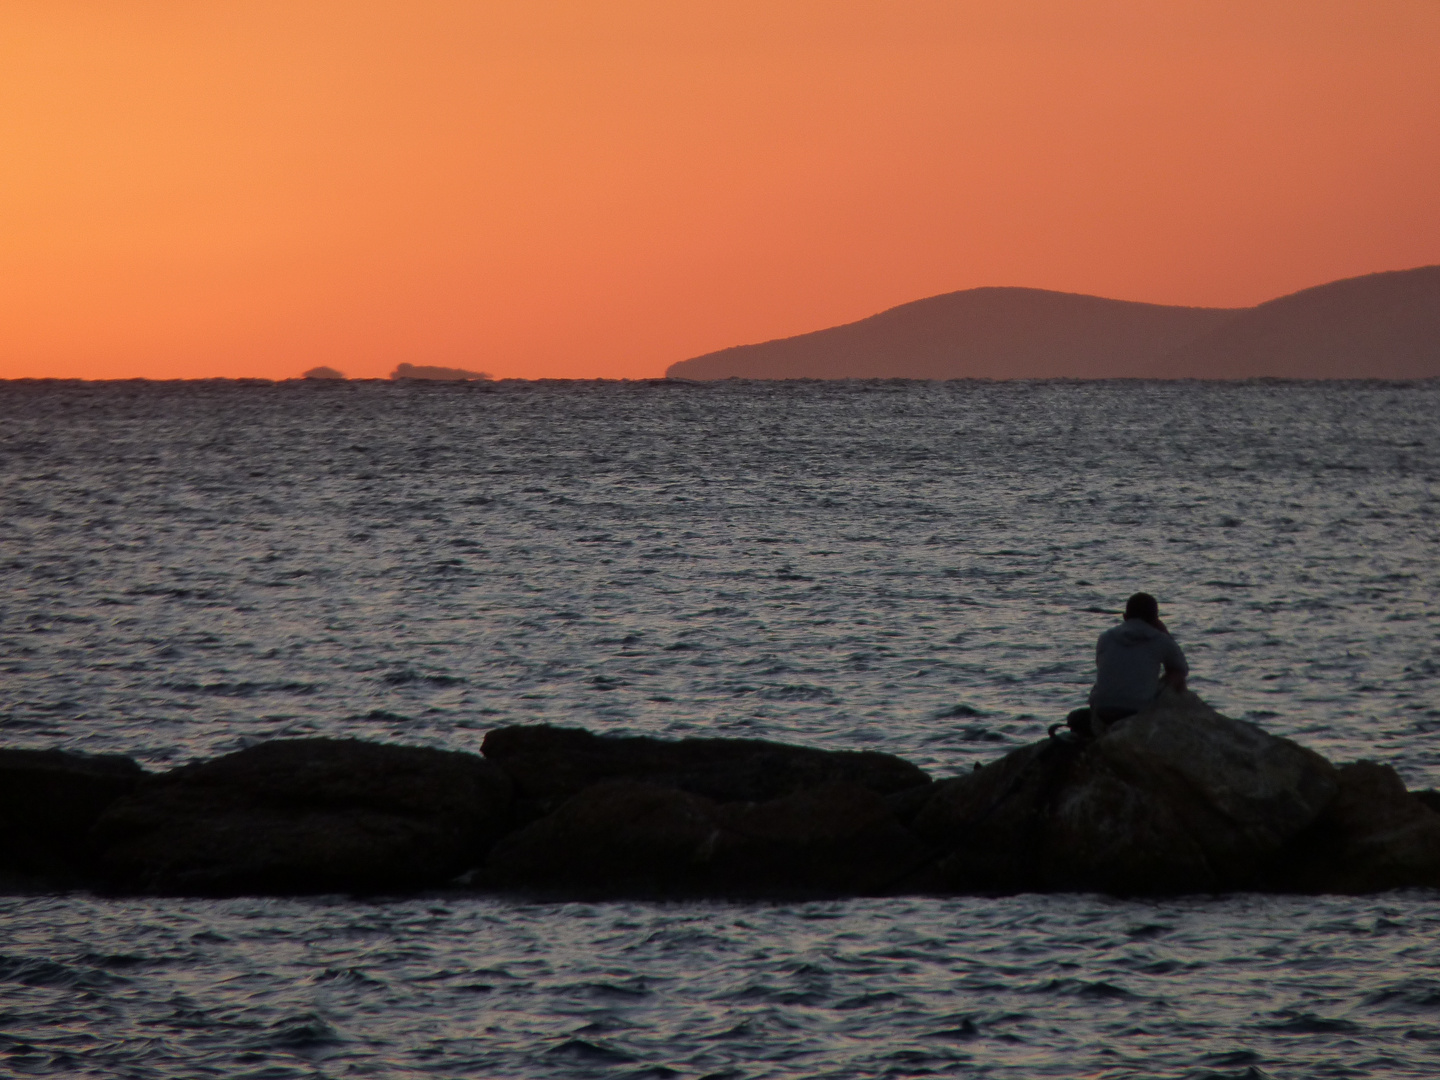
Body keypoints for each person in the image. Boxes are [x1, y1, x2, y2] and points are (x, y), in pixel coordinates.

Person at [1062, 592, 1188, 739]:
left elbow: (1101, 666)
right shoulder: (1160, 639)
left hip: (1102, 712)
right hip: (1138, 712)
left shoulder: (1105, 637)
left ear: (1125, 617)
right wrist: (1165, 633)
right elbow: (1181, 668)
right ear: (1155, 619)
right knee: (1177, 674)